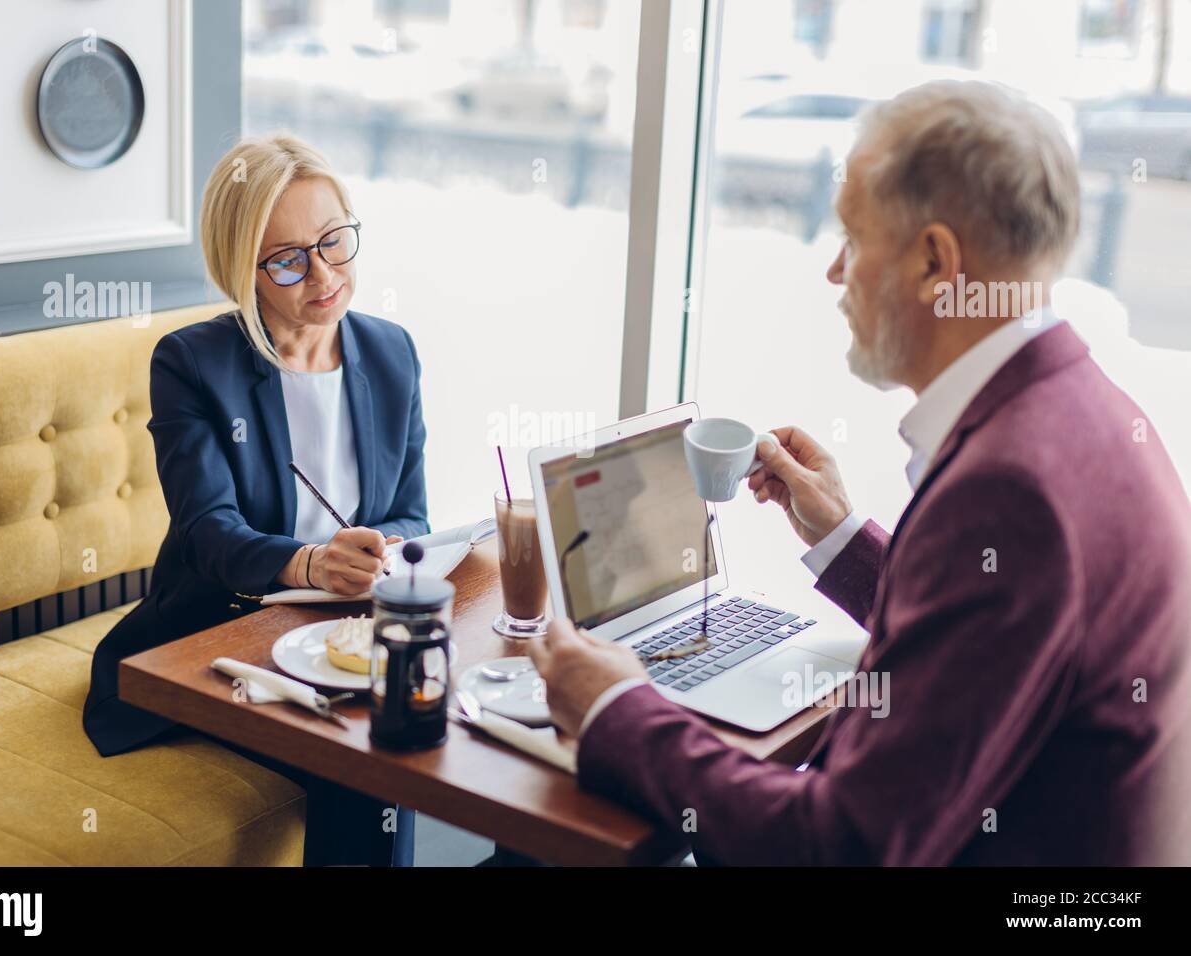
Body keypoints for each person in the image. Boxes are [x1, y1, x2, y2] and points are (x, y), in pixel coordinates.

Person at [529, 81, 1191, 865]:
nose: (835, 272)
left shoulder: (1007, 493)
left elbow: (848, 844)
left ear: (935, 262)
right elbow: (990, 652)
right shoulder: (1082, 404)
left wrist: (612, 709)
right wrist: (843, 537)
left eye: (852, 236)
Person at [83, 134, 429, 866]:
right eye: (287, 259)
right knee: (363, 756)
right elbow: (210, 535)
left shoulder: (392, 352)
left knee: (430, 721)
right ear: (243, 271)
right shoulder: (193, 363)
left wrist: (381, 552)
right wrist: (311, 564)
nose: (323, 273)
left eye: (334, 240)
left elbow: (410, 516)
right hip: (216, 640)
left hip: (343, 640)